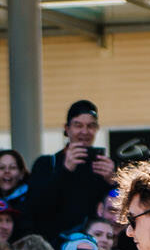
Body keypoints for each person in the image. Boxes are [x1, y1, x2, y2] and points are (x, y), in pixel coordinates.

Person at [25, 101, 116, 242]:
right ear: (67, 129)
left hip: (93, 245)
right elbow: (36, 207)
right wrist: (65, 170)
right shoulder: (46, 164)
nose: (84, 132)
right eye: (78, 125)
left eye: (91, 126)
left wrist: (113, 181)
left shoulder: (103, 166)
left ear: (97, 129)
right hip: (55, 244)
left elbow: (115, 208)